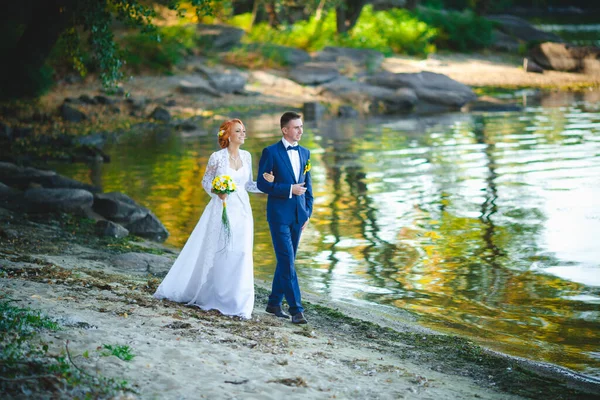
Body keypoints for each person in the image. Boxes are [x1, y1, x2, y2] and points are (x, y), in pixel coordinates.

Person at [153, 119, 273, 319]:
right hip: (222, 208)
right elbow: (206, 181)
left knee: (242, 252)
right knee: (221, 252)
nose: (243, 134)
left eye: (244, 130)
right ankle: (214, 295)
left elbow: (248, 185)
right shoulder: (216, 158)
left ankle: (238, 302)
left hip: (243, 212)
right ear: (227, 135)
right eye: (238, 131)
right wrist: (217, 191)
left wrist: (265, 184)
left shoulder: (247, 156)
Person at [257, 111, 313, 324]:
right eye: (296, 127)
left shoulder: (306, 153)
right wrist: (289, 189)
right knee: (287, 261)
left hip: (299, 217)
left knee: (285, 262)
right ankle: (296, 310)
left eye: (301, 126)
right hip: (279, 215)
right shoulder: (270, 152)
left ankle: (273, 303)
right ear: (285, 130)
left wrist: (308, 212)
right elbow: (262, 184)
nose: (300, 130)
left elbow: (309, 186)